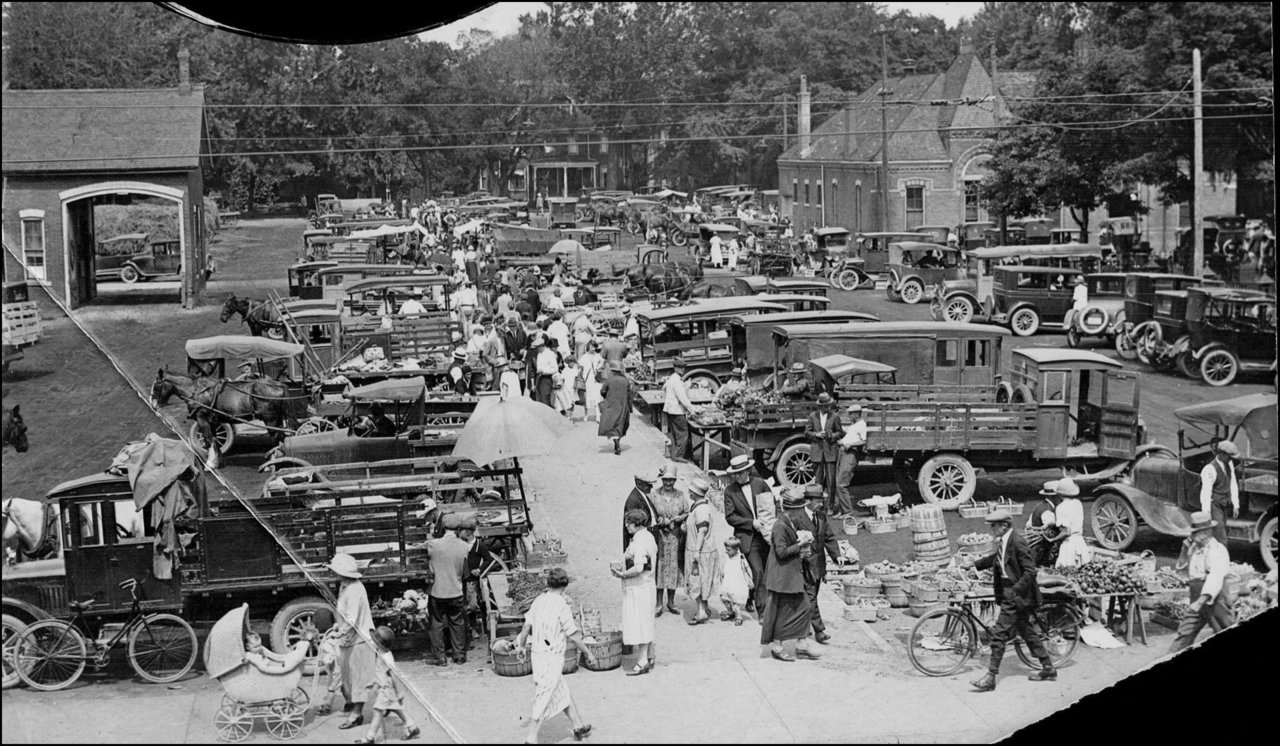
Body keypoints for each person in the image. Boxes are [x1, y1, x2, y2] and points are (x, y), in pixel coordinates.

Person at [964, 510, 1057, 691]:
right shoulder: (1006, 541)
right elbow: (996, 559)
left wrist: (1014, 591)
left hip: (1016, 594)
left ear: (1004, 526)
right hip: (1010, 592)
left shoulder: (1017, 541)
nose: (992, 529)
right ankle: (1048, 667)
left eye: (994, 525)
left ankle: (991, 676)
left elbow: (1031, 571)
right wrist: (974, 564)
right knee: (1026, 631)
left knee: (999, 634)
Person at [515, 568, 596, 744]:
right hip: (552, 657)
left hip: (538, 654)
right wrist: (588, 653)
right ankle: (531, 738)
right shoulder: (562, 605)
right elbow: (573, 635)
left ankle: (577, 726)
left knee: (560, 690)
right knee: (544, 694)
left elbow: (526, 627)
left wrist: (521, 646)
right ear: (565, 585)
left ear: (548, 584)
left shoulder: (539, 600)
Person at [760, 488, 818, 662]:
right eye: (800, 509)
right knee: (781, 612)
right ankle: (778, 646)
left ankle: (801, 641)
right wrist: (801, 545)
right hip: (782, 576)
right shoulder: (780, 525)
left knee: (804, 607)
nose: (802, 513)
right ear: (792, 509)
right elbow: (781, 552)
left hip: (789, 574)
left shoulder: (789, 522)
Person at [1167, 511, 1232, 653]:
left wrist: (1201, 600)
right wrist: (1184, 550)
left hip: (1215, 600)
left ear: (1207, 532)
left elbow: (1215, 576)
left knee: (1224, 627)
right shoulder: (1194, 549)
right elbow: (1181, 570)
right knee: (1185, 633)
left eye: (1195, 533)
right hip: (1196, 597)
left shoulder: (1217, 550)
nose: (1192, 536)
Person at [326, 553, 377, 730]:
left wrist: (340, 632)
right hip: (350, 638)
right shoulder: (345, 586)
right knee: (349, 676)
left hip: (360, 639)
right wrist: (337, 626)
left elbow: (352, 618)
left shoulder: (355, 590)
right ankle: (358, 704)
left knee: (359, 678)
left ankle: (357, 714)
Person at [721, 454, 772, 615]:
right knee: (758, 571)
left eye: (740, 473)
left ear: (748, 470)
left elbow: (772, 504)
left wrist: (769, 523)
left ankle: (750, 597)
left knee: (765, 570)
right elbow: (730, 517)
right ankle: (762, 611)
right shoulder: (730, 491)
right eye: (734, 474)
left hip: (766, 536)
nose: (736, 477)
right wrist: (751, 523)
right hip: (748, 537)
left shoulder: (761, 484)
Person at [793, 484, 842, 644]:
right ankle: (819, 630)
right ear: (807, 501)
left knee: (807, 598)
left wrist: (837, 555)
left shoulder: (821, 516)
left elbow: (828, 537)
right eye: (818, 501)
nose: (821, 504)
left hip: (818, 566)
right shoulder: (797, 517)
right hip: (804, 566)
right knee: (811, 598)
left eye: (822, 500)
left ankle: (802, 627)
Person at [355, 626, 421, 744]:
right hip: (383, 687)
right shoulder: (381, 653)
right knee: (395, 708)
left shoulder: (386, 657)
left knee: (377, 711)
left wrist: (399, 691)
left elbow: (393, 675)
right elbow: (380, 672)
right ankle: (412, 727)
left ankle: (370, 738)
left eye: (375, 642)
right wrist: (373, 683)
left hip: (386, 688)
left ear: (380, 645)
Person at [613, 509, 658, 676]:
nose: (626, 526)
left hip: (638, 588)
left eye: (629, 524)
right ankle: (650, 655)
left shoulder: (639, 542)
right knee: (646, 620)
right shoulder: (648, 537)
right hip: (647, 585)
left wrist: (622, 574)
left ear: (637, 525)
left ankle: (642, 661)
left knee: (639, 623)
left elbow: (639, 567)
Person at [426, 514, 472, 665]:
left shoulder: (433, 544)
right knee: (457, 622)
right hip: (456, 591)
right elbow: (466, 573)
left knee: (436, 623)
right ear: (459, 529)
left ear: (443, 528)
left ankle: (440, 657)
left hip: (437, 591)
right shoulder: (464, 546)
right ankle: (459, 655)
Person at [651, 463, 690, 617]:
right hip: (660, 537)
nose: (668, 483)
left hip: (675, 537)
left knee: (673, 567)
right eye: (666, 480)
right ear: (662, 479)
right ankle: (659, 602)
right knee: (660, 567)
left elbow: (687, 512)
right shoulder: (654, 494)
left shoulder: (680, 495)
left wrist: (678, 519)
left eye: (671, 480)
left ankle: (671, 601)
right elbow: (651, 513)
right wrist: (660, 520)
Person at [682, 478, 720, 626]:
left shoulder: (701, 510)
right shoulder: (697, 507)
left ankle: (701, 611)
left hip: (700, 551)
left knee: (697, 581)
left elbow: (702, 531)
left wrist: (696, 551)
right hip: (701, 549)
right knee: (703, 581)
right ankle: (704, 608)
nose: (689, 492)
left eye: (691, 491)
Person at [804, 393, 844, 510]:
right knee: (818, 481)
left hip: (830, 452)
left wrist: (831, 436)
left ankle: (830, 506)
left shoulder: (835, 416)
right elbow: (806, 432)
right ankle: (818, 506)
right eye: (824, 406)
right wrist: (816, 434)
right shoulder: (812, 416)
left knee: (831, 482)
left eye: (828, 405)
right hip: (817, 452)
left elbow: (840, 433)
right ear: (819, 406)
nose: (827, 408)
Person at [1199, 440, 1240, 545]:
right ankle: (1223, 560)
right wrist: (1206, 514)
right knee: (1221, 538)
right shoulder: (1209, 469)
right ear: (1221, 454)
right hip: (1214, 506)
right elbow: (1205, 494)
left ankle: (1216, 559)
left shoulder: (1229, 464)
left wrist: (1236, 504)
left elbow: (1233, 483)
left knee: (1221, 534)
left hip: (1224, 505)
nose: (1231, 459)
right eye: (1229, 456)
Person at [833, 403, 866, 518]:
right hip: (843, 452)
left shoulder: (861, 425)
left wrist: (850, 444)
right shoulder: (854, 425)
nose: (849, 416)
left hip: (850, 454)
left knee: (842, 483)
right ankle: (841, 510)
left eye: (851, 414)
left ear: (857, 414)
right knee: (838, 482)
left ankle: (848, 511)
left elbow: (863, 441)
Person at [663, 359, 699, 462]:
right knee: (683, 434)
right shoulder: (676, 381)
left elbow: (664, 388)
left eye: (683, 367)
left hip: (671, 409)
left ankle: (677, 453)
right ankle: (679, 455)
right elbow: (683, 398)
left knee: (676, 433)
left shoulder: (672, 379)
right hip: (677, 410)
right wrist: (692, 410)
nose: (682, 370)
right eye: (680, 368)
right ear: (675, 368)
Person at [598, 361, 633, 456]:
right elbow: (630, 395)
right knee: (620, 424)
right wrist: (630, 408)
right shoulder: (625, 381)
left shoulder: (609, 380)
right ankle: (617, 442)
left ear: (612, 370)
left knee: (611, 424)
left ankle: (616, 443)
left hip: (611, 405)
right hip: (623, 405)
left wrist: (607, 396)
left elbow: (602, 391)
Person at [1025, 480, 1062, 567]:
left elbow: (1028, 524)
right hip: (1040, 549)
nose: (1061, 498)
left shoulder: (1039, 506)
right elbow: (1050, 529)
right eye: (1059, 496)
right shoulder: (1047, 511)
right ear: (1053, 497)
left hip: (1033, 546)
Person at [718, 536, 753, 626]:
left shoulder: (741, 558)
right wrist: (721, 572)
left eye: (729, 550)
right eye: (726, 549)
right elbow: (723, 565)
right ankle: (730, 612)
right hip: (728, 582)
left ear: (736, 549)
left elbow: (747, 569)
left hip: (738, 583)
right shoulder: (726, 556)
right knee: (724, 598)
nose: (726, 551)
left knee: (736, 604)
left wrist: (750, 580)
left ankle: (739, 616)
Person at [622, 470, 659, 550]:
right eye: (648, 485)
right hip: (642, 541)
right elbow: (632, 526)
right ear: (639, 484)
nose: (651, 487)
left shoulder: (642, 495)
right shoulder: (633, 499)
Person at [579, 341, 605, 422]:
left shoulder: (598, 356)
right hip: (587, 379)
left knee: (597, 397)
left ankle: (598, 416)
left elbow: (602, 361)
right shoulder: (584, 357)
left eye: (594, 347)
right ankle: (586, 414)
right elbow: (580, 366)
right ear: (588, 347)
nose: (593, 349)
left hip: (596, 379)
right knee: (587, 397)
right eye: (591, 347)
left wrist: (598, 367)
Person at [532, 336, 560, 408]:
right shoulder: (539, 354)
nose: (536, 350)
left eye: (537, 348)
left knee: (545, 398)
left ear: (541, 346)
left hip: (546, 378)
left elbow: (555, 369)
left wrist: (544, 371)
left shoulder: (550, 354)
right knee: (538, 398)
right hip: (539, 377)